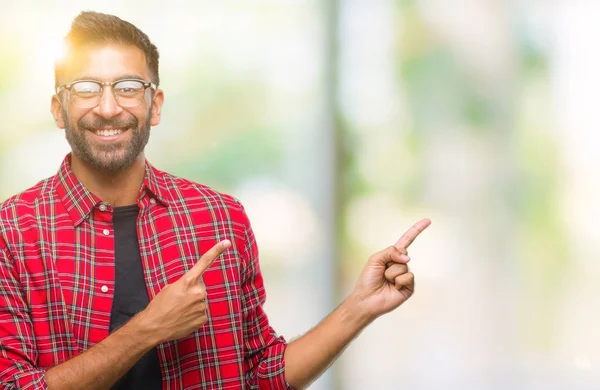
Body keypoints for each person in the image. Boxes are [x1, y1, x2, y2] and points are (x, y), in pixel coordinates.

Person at [0, 11, 430, 390]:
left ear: (155, 106)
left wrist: (360, 307)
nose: (109, 107)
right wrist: (148, 330)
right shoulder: (13, 231)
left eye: (129, 87)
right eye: (87, 88)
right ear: (58, 108)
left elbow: (262, 374)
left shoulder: (220, 218)